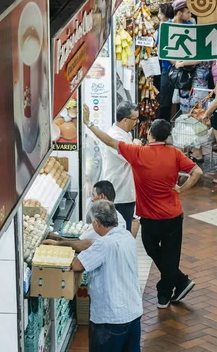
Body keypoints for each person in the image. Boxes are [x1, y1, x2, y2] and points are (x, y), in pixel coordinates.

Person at [83, 110, 203, 309]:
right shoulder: (175, 154)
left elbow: (109, 141)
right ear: (167, 137)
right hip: (173, 215)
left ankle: (172, 288)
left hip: (150, 217)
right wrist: (182, 189)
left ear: (150, 134)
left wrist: (90, 124)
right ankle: (170, 289)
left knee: (151, 248)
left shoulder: (139, 153)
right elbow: (197, 171)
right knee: (171, 255)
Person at [71, 200, 143, 352]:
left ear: (96, 223)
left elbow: (77, 265)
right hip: (133, 312)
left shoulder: (103, 244)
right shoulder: (127, 236)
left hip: (111, 318)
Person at [44, 180, 128, 251]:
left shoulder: (103, 220)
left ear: (102, 196)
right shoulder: (117, 217)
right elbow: (83, 240)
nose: (92, 199)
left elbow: (84, 243)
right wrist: (59, 238)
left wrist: (57, 243)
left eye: (93, 195)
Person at [100, 102, 140, 231]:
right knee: (120, 230)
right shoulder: (115, 136)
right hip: (119, 194)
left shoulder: (125, 133)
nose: (137, 122)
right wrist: (137, 145)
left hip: (126, 191)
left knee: (125, 227)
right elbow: (132, 157)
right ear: (124, 120)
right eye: (135, 119)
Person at [158, 0, 192, 121]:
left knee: (184, 103)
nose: (190, 15)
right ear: (179, 13)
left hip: (185, 70)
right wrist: (175, 62)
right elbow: (162, 49)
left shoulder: (191, 26)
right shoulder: (165, 27)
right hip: (168, 70)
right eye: (188, 12)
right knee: (165, 103)